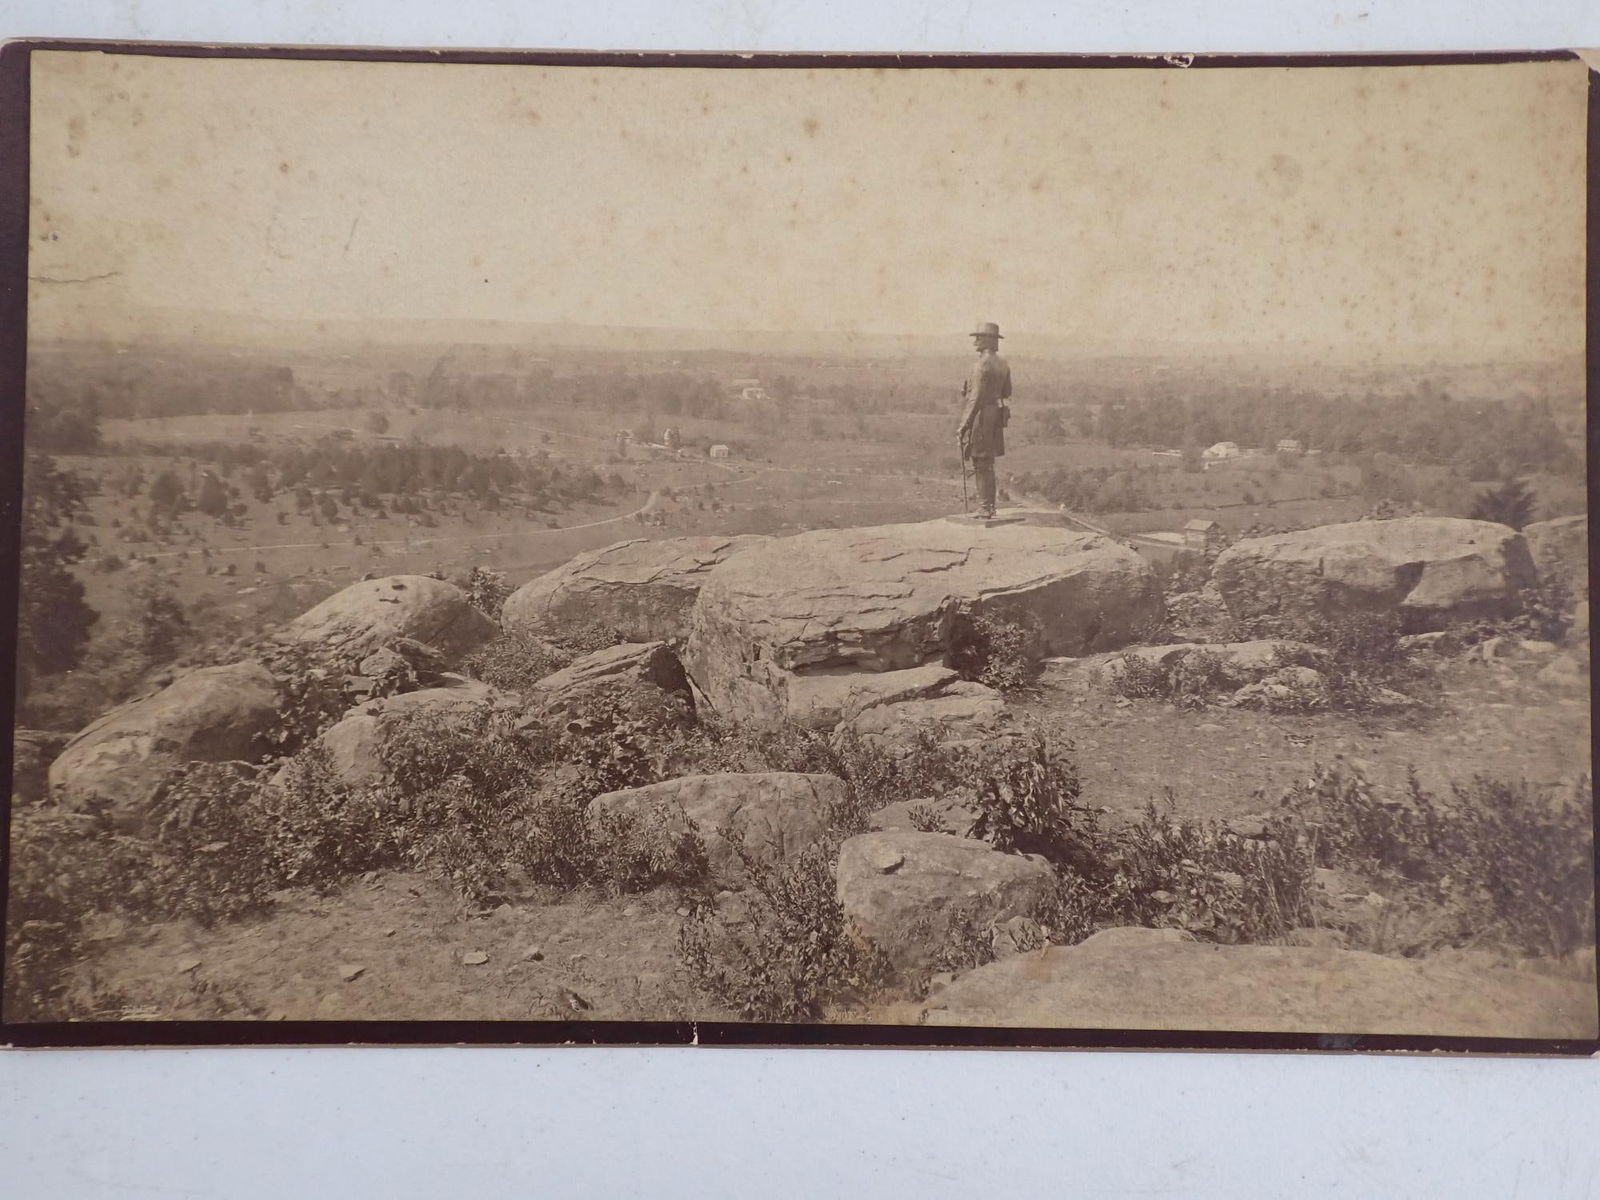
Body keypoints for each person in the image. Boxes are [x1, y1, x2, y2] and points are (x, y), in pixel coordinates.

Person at [956, 320, 1012, 518]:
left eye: (978, 338)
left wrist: (963, 425)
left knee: (980, 462)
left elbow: (975, 398)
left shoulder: (981, 365)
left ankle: (984, 507)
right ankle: (990, 506)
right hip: (995, 416)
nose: (975, 342)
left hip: (981, 417)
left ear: (988, 340)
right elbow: (1007, 391)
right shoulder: (1003, 364)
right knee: (988, 462)